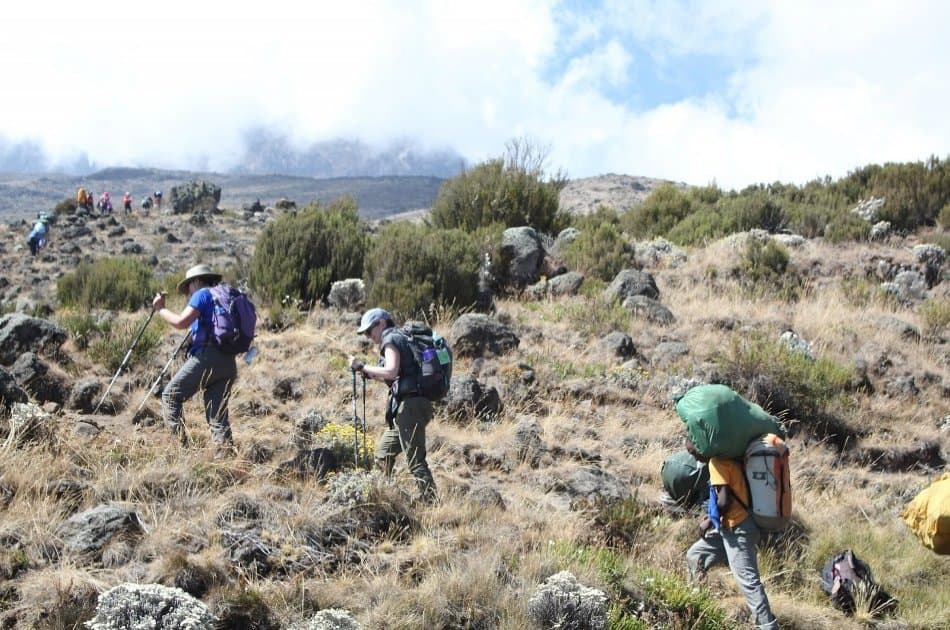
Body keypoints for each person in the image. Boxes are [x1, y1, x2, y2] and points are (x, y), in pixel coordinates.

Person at [685, 437, 779, 630]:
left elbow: (724, 500)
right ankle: (699, 605)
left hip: (739, 529)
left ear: (702, 449)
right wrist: (712, 518)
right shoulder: (728, 459)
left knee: (748, 581)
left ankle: (768, 626)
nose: (694, 457)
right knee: (696, 555)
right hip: (730, 527)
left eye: (694, 453)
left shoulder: (716, 463)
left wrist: (709, 521)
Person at [348, 308, 437, 503]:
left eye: (369, 331)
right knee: (383, 453)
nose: (368, 336)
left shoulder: (390, 339)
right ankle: (385, 497)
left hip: (410, 407)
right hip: (410, 406)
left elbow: (390, 370)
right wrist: (370, 373)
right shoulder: (400, 339)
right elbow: (397, 376)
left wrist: (362, 366)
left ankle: (432, 504)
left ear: (381, 323)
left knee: (415, 461)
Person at [152, 264, 238, 457]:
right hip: (229, 361)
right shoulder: (225, 297)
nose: (188, 293)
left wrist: (161, 309)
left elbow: (181, 322)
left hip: (208, 358)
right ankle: (227, 460)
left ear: (196, 281)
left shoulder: (202, 294)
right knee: (217, 412)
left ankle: (183, 454)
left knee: (171, 396)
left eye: (188, 287)